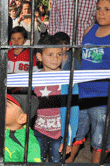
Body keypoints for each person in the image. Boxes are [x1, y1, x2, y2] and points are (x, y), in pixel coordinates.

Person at [67, 0, 110, 163]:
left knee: (99, 139)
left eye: (107, 9)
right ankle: (67, 161)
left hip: (106, 98)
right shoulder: (88, 31)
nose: (101, 13)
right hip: (82, 94)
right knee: (75, 132)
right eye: (98, 8)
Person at [33, 35, 79, 163]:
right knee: (36, 162)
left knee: (56, 163)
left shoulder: (69, 81)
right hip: (37, 131)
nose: (55, 59)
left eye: (59, 54)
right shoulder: (33, 79)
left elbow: (73, 112)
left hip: (59, 134)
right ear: (39, 57)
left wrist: (68, 140)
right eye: (50, 55)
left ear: (64, 56)